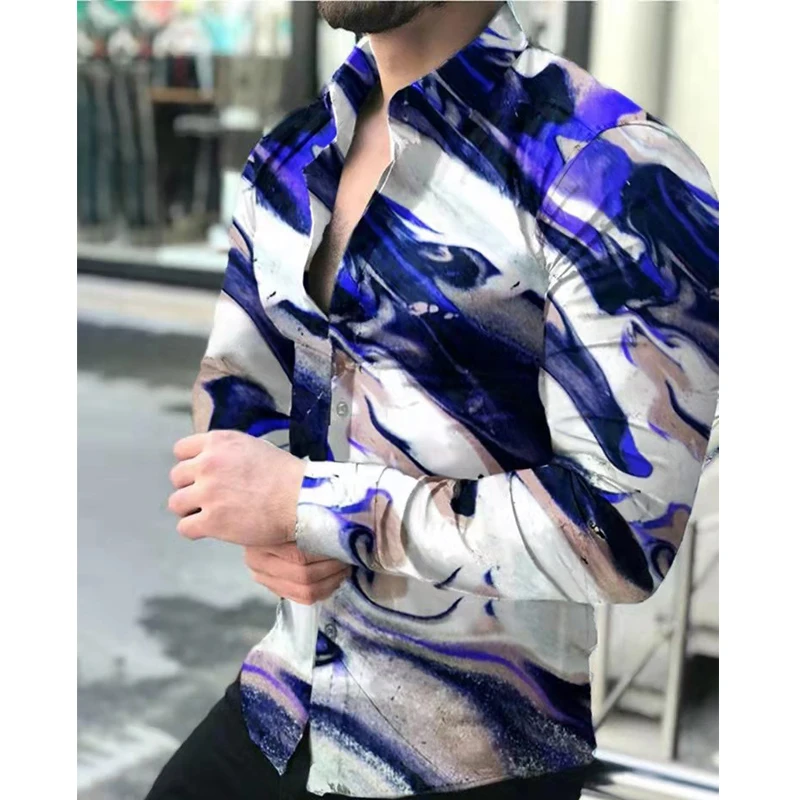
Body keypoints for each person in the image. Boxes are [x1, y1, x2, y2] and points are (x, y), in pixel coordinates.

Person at [151, 1, 719, 798]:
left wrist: (313, 504)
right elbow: (238, 402)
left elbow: (623, 534)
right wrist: (270, 526)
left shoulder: (615, 170)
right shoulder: (289, 155)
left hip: (473, 750)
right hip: (285, 702)